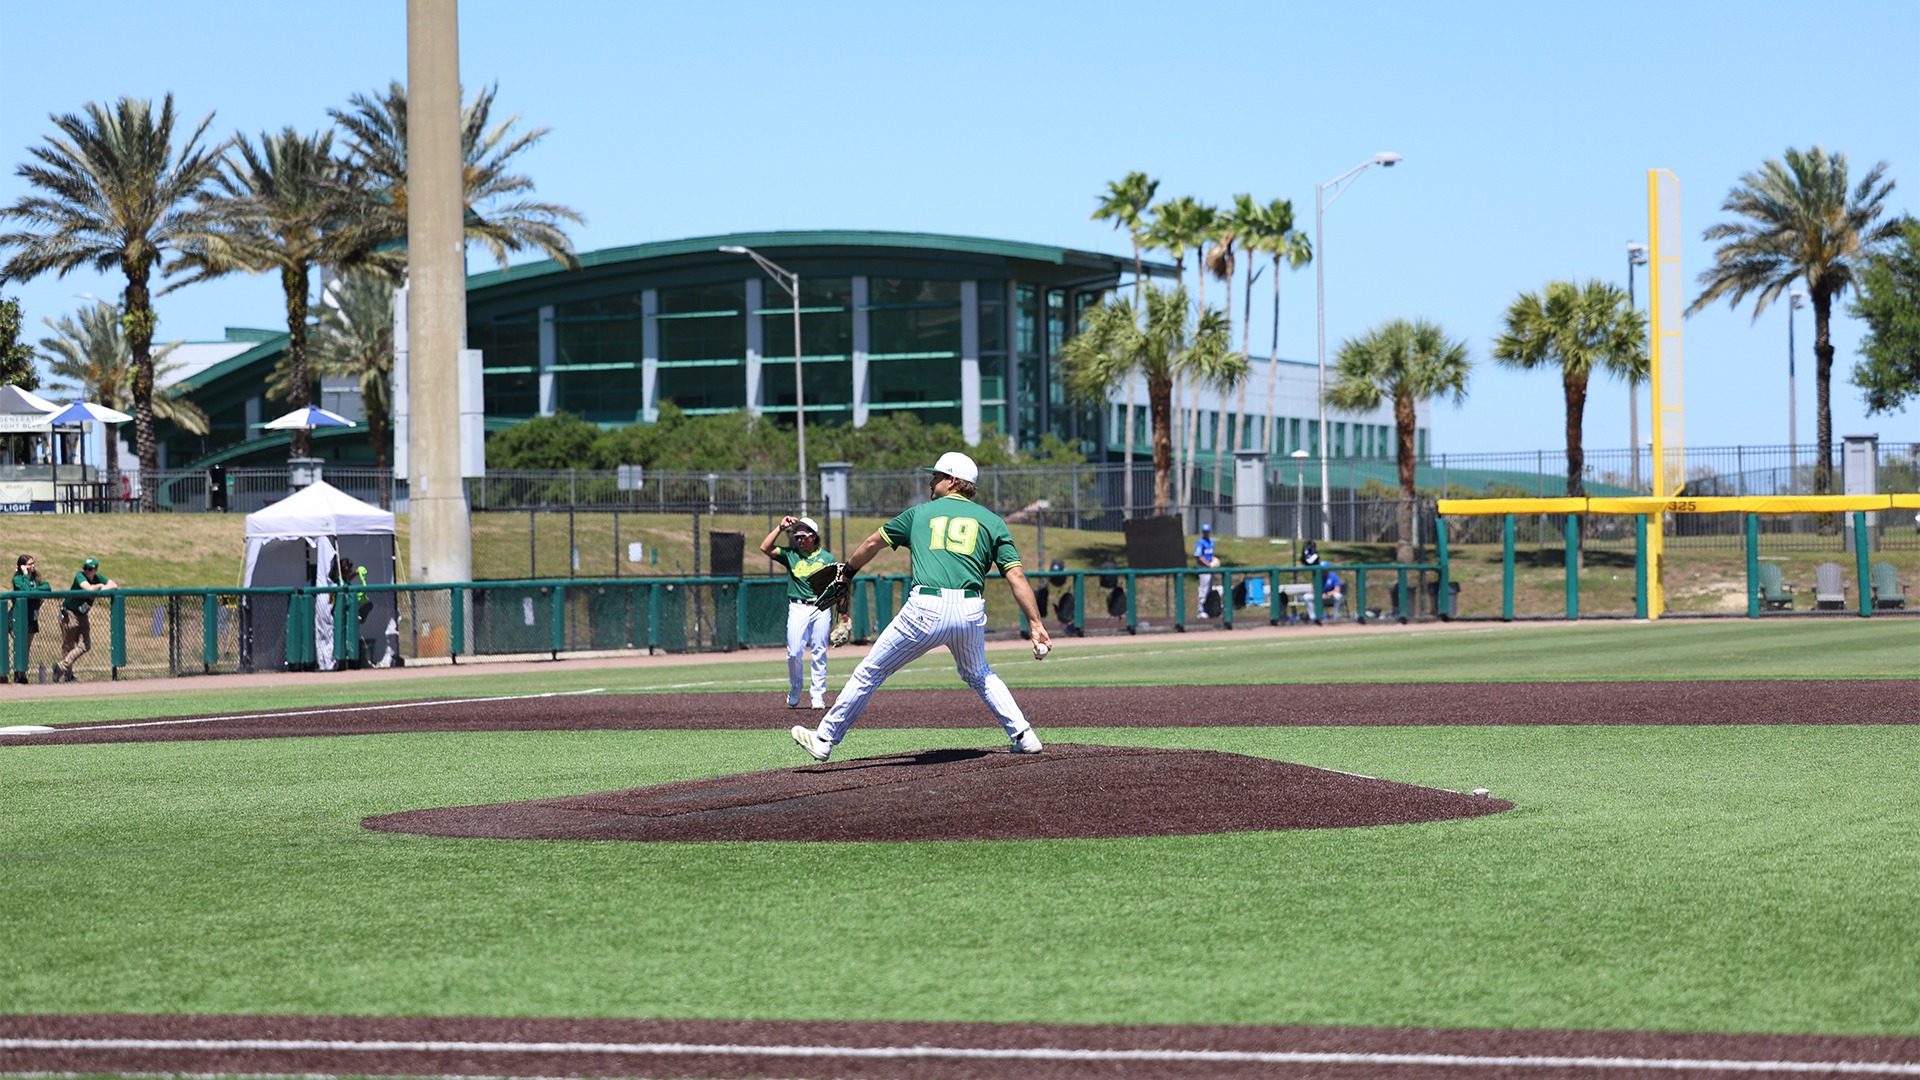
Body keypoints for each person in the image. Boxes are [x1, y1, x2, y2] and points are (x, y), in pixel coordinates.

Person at [790, 451, 1049, 762]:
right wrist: (1035, 624)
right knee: (979, 673)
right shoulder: (993, 521)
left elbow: (872, 542)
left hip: (926, 608)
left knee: (871, 671)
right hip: (969, 610)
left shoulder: (919, 513)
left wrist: (847, 572)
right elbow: (1016, 575)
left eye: (936, 476)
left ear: (952, 480)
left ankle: (824, 739)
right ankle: (1024, 735)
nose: (931, 481)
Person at [759, 514, 836, 709]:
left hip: (820, 606)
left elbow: (836, 586)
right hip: (798, 606)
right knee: (794, 652)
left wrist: (843, 614)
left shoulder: (827, 558)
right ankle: (795, 688)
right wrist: (780, 527)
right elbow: (765, 547)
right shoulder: (791, 555)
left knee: (819, 650)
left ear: (814, 536)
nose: (799, 539)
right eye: (797, 536)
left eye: (803, 536)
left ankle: (817, 694)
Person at [55, 557, 117, 682]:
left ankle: (61, 667)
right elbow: (88, 588)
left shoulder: (98, 577)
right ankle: (68, 676)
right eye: (85, 568)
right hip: (70, 613)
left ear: (96, 569)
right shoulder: (80, 576)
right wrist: (100, 586)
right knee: (68, 645)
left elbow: (114, 585)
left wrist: (100, 587)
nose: (87, 571)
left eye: (90, 569)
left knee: (85, 645)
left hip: (83, 615)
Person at [10, 554, 51, 684]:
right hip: (20, 617)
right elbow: (26, 590)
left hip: (32, 617)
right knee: (21, 645)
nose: (33, 566)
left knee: (27, 647)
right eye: (29, 564)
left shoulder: (36, 578)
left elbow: (47, 587)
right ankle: (19, 674)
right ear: (22, 566)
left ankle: (22, 673)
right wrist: (25, 575)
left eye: (33, 563)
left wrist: (35, 590)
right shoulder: (18, 579)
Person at [1193, 522, 1221, 618]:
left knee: (1209, 588)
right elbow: (1198, 557)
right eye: (1204, 531)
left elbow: (1211, 555)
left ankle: (1208, 609)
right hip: (1203, 568)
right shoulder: (1200, 542)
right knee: (1204, 588)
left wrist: (1214, 561)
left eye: (1207, 531)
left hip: (1210, 568)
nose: (1206, 533)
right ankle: (1200, 610)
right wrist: (1209, 565)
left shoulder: (1211, 542)